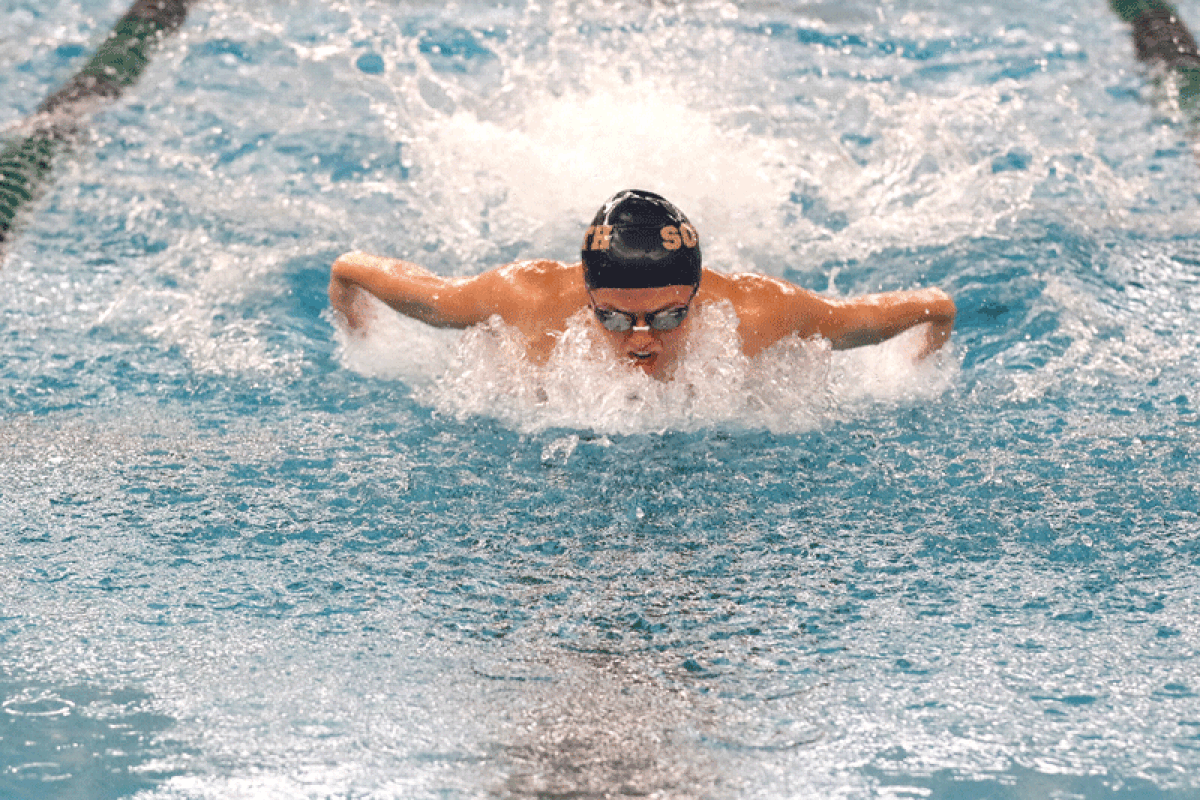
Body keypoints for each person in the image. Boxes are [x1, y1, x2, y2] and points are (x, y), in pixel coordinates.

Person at [328, 189, 956, 380]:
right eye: (612, 319)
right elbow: (351, 270)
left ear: (698, 293)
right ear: (585, 293)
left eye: (665, 318)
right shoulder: (526, 302)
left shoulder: (761, 313)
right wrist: (362, 344)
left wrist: (910, 375)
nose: (639, 343)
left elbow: (931, 309)